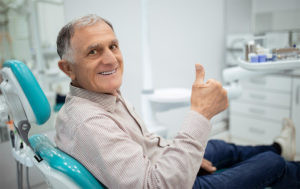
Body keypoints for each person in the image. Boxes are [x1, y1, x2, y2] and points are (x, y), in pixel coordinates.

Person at [54, 14, 300, 189]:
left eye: (113, 46)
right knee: (271, 165)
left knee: (220, 148)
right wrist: (200, 114)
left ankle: (279, 147)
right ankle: (281, 161)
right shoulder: (89, 121)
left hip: (159, 168)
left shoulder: (102, 97)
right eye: (93, 52)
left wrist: (182, 157)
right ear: (67, 68)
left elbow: (147, 145)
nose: (111, 59)